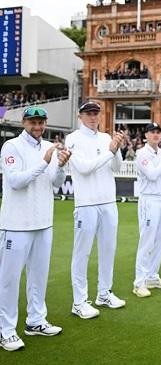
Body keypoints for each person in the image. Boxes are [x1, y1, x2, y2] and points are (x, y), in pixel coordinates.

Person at [0, 106, 71, 351]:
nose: (38, 127)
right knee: (9, 280)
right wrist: (44, 162)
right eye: (33, 122)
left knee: (38, 276)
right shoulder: (11, 147)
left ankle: (36, 321)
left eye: (41, 122)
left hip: (43, 222)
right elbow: (16, 181)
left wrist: (60, 166)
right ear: (24, 122)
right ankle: (5, 330)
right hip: (16, 224)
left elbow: (56, 182)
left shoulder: (47, 146)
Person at [65, 101, 127, 319]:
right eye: (88, 113)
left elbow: (116, 167)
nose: (93, 117)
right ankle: (79, 301)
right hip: (86, 203)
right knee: (82, 252)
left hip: (108, 201)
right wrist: (110, 151)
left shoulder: (105, 138)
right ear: (80, 115)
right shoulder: (73, 139)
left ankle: (104, 293)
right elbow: (84, 168)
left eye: (95, 113)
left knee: (108, 249)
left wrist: (116, 149)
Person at [132, 122, 161, 298]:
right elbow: (152, 175)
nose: (156, 135)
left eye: (158, 132)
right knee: (147, 241)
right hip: (149, 200)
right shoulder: (142, 153)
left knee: (160, 240)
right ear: (146, 136)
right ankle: (139, 282)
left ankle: (152, 276)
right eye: (152, 132)